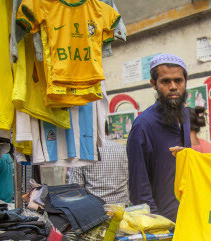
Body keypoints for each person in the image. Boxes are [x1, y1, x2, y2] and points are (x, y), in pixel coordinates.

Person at [127, 54, 192, 222]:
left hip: (186, 217)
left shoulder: (184, 114)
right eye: (165, 81)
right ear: (154, 84)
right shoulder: (143, 125)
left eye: (178, 80)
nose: (173, 87)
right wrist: (157, 224)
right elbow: (139, 188)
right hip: (161, 224)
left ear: (185, 81)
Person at [69, 123, 129, 205]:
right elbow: (131, 181)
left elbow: (75, 188)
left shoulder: (82, 153)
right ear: (107, 131)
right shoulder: (123, 150)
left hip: (95, 209)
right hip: (121, 209)